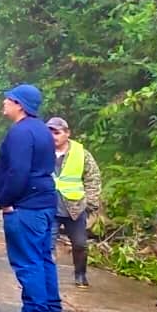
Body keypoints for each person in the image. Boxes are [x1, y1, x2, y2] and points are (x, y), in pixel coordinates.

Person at [0, 84, 63, 312]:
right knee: (43, 257)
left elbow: (18, 171)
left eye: (8, 99)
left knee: (27, 259)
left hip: (25, 206)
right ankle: (52, 309)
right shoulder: (43, 130)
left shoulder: (21, 133)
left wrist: (6, 200)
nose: (4, 103)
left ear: (19, 104)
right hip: (44, 201)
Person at [46, 117, 103, 288]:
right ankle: (49, 279)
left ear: (67, 133)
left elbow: (93, 178)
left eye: (57, 132)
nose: (53, 136)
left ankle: (80, 274)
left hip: (75, 208)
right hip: (49, 207)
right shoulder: (41, 151)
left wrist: (91, 204)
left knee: (80, 244)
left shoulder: (81, 154)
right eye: (49, 132)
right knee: (47, 245)